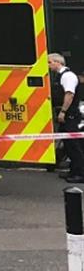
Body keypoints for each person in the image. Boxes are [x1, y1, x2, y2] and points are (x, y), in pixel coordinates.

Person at [49, 53, 84, 182]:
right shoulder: (61, 76)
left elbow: (69, 95)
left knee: (74, 145)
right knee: (68, 145)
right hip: (67, 115)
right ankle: (74, 171)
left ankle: (80, 174)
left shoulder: (67, 76)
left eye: (50, 62)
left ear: (58, 62)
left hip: (70, 115)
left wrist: (63, 111)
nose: (49, 65)